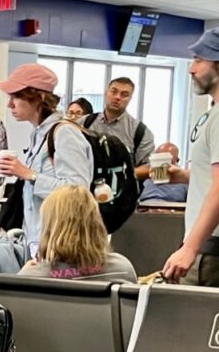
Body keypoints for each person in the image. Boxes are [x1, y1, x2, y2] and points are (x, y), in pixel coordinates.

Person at [0, 63, 94, 257]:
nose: (10, 105)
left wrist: (28, 174)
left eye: (16, 96)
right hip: (36, 239)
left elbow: (78, 191)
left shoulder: (65, 133)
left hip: (60, 243)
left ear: (38, 97)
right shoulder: (39, 134)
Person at [163, 28, 219, 287]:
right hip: (207, 244)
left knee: (197, 327)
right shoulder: (212, 113)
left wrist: (190, 247)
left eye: (199, 59)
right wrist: (187, 177)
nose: (190, 68)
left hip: (211, 249)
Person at [20, 185, 137, 282]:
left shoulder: (30, 277)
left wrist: (20, 276)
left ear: (49, 228)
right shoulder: (122, 269)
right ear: (96, 224)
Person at [82, 77, 155, 181]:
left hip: (122, 191)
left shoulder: (140, 132)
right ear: (106, 92)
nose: (117, 97)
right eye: (114, 91)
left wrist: (122, 173)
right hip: (85, 188)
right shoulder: (84, 123)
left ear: (130, 98)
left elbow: (150, 167)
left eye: (124, 95)